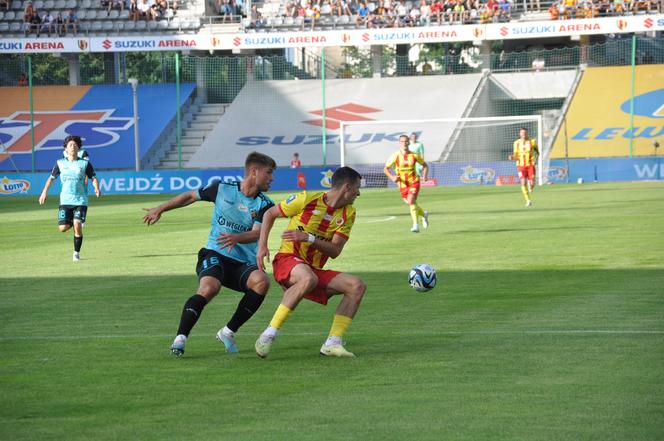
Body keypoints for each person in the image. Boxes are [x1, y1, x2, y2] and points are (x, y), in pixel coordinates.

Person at [142, 152, 277, 357]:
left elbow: (257, 233)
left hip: (240, 262)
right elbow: (189, 196)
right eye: (269, 173)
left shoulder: (265, 204)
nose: (272, 178)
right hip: (215, 252)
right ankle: (180, 338)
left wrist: (236, 238)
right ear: (253, 171)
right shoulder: (221, 188)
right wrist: (160, 208)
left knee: (262, 282)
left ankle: (228, 332)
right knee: (209, 287)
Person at [255, 166, 366, 358]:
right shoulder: (307, 199)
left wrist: (309, 238)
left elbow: (335, 251)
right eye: (357, 187)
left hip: (311, 270)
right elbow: (269, 214)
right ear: (347, 187)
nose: (359, 192)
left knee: (356, 286)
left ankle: (332, 343)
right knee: (308, 278)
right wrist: (262, 245)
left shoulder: (348, 213)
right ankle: (269, 334)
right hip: (287, 260)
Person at [38, 135, 101, 262]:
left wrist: (96, 188)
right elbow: (51, 178)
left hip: (80, 200)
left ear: (79, 148)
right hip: (65, 201)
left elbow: (93, 177)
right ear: (65, 149)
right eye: (70, 145)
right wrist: (44, 192)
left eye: (75, 145)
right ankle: (75, 219)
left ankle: (76, 253)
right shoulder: (60, 163)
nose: (73, 147)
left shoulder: (84, 164)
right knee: (63, 228)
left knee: (77, 225)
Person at [383, 134, 429, 233]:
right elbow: (385, 169)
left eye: (406, 141)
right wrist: (392, 177)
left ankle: (415, 225)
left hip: (414, 181)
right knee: (411, 203)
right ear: (399, 143)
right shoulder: (395, 156)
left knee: (411, 200)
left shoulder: (414, 155)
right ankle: (424, 214)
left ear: (409, 142)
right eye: (402, 141)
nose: (404, 143)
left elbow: (425, 165)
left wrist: (424, 176)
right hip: (402, 184)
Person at [509, 127, 539, 207]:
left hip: (530, 165)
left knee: (532, 183)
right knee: (523, 181)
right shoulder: (516, 143)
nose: (523, 134)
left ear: (527, 133)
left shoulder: (532, 142)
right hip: (520, 166)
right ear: (520, 134)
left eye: (525, 133)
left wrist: (535, 160)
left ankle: (531, 186)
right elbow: (516, 156)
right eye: (522, 133)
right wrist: (512, 157)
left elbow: (537, 153)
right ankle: (528, 200)